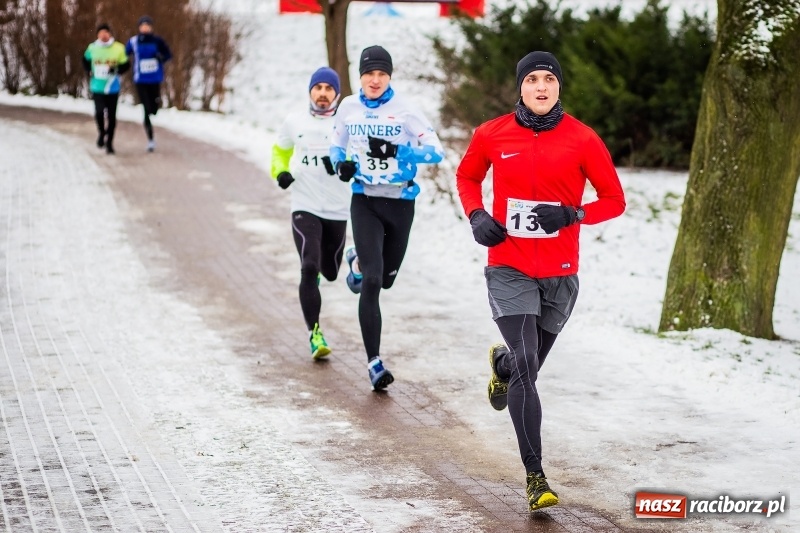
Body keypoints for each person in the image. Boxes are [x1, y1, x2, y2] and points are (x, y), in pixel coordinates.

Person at [456, 51, 625, 512]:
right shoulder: (491, 133)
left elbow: (615, 199)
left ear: (559, 87)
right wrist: (476, 216)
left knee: (525, 367)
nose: (541, 86)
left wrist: (574, 213)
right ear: (521, 88)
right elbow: (468, 176)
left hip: (560, 274)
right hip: (507, 265)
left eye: (549, 78)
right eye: (532, 79)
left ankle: (502, 367)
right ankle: (535, 476)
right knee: (530, 365)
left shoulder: (583, 139)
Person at [330, 45, 444, 391]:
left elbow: (436, 151)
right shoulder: (348, 107)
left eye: (381, 74)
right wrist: (341, 165)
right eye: (369, 74)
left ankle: (359, 262)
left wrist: (398, 149)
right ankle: (374, 363)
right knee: (375, 282)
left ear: (389, 76)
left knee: (387, 278)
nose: (375, 80)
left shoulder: (406, 110)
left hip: (400, 204)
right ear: (361, 76)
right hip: (364, 200)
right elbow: (336, 145)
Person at [271, 67, 351, 360]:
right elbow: (280, 152)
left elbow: (356, 158)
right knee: (309, 266)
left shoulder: (346, 125)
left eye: (328, 88)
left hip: (337, 208)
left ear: (337, 94)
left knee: (330, 271)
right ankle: (315, 334)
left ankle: (339, 263)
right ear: (310, 92)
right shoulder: (294, 121)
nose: (322, 93)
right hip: (304, 205)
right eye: (317, 87)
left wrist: (346, 167)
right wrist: (280, 172)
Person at [125, 15, 172, 152]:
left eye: (147, 25)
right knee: (146, 108)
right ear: (139, 27)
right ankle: (151, 139)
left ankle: (156, 105)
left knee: (154, 109)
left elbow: (168, 55)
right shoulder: (134, 41)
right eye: (142, 25)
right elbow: (125, 54)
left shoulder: (158, 41)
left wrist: (161, 57)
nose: (145, 28)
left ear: (151, 27)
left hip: (155, 79)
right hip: (140, 79)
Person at [83, 23, 129, 155]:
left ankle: (109, 143)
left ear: (110, 34)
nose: (104, 35)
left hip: (112, 88)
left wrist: (116, 69)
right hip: (97, 87)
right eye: (101, 32)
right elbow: (85, 61)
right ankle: (102, 133)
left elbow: (126, 65)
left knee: (112, 117)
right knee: (99, 113)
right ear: (97, 35)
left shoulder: (119, 48)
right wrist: (88, 71)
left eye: (106, 32)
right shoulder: (92, 48)